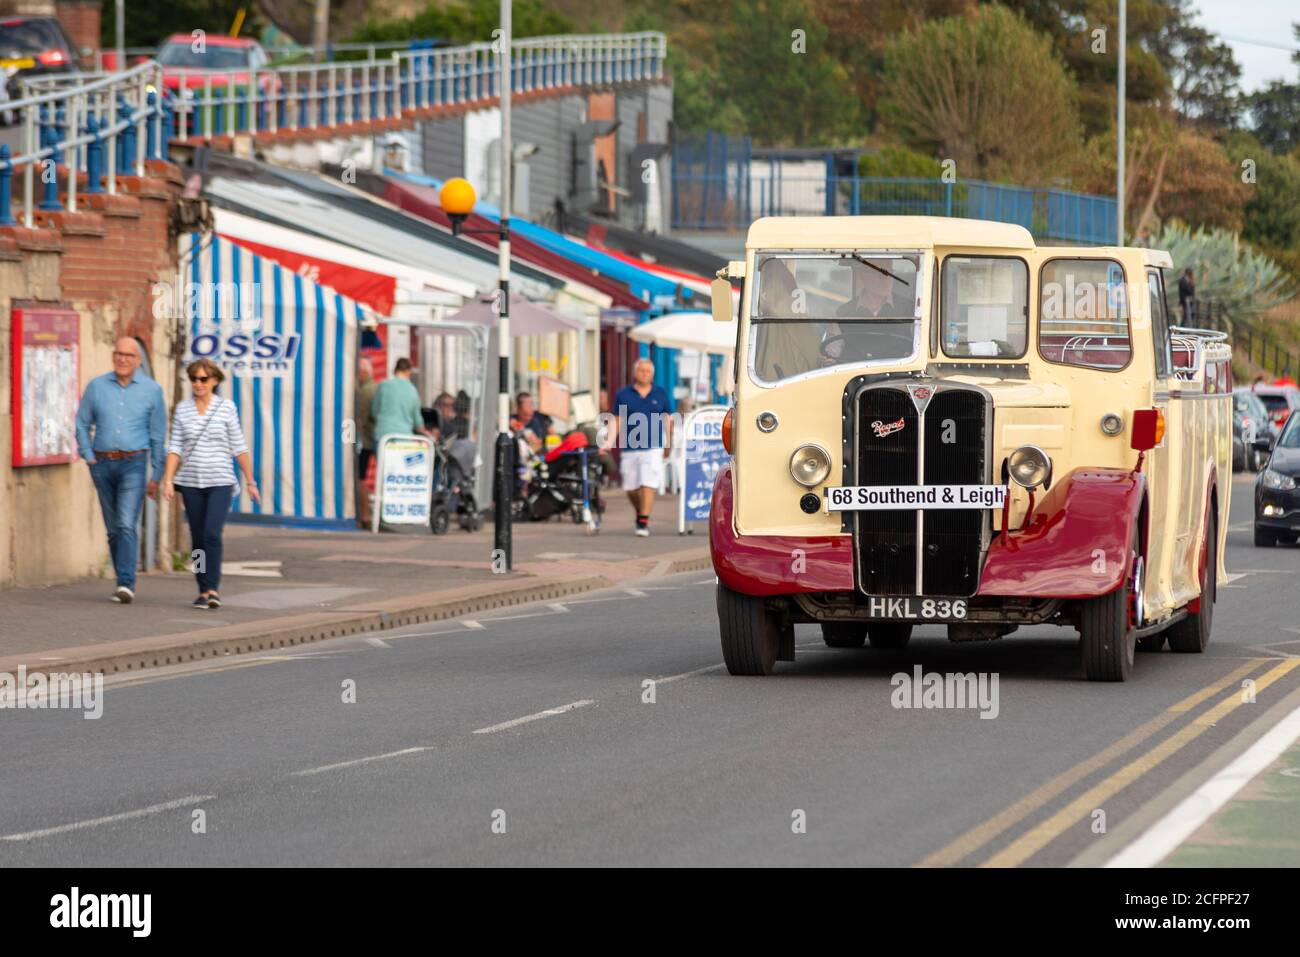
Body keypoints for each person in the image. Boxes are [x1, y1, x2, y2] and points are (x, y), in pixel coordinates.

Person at [161, 359, 260, 609]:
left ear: (215, 381)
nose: (198, 384)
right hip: (192, 482)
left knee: (212, 534)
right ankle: (202, 588)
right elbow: (175, 447)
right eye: (194, 379)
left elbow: (239, 446)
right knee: (197, 538)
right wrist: (168, 480)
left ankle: (213, 587)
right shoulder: (183, 410)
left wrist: (250, 480)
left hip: (221, 481)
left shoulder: (226, 408)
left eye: (203, 379)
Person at [75, 336, 167, 604]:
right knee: (113, 528)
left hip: (134, 464)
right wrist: (88, 456)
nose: (122, 359)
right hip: (101, 464)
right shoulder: (97, 387)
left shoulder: (152, 391)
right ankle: (122, 577)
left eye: (128, 355)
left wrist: (157, 474)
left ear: (138, 361)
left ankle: (126, 583)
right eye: (118, 354)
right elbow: (81, 423)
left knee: (126, 523)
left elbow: (158, 435)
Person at [611, 358, 674, 537]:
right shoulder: (623, 394)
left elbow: (667, 420)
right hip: (630, 447)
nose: (644, 374)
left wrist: (669, 443)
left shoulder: (660, 393)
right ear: (635, 373)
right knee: (631, 488)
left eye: (647, 371)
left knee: (647, 484)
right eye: (641, 371)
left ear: (652, 374)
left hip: (653, 447)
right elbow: (617, 419)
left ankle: (643, 521)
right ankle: (641, 511)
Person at [370, 357, 428, 445]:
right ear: (409, 371)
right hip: (403, 438)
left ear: (395, 370)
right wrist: (425, 433)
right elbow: (417, 421)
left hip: (382, 436)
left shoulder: (383, 385)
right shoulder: (413, 390)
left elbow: (374, 412)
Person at [355, 357, 379, 528]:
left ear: (362, 373)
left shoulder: (365, 391)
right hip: (375, 438)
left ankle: (365, 516)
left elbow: (359, 419)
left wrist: (349, 439)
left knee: (360, 476)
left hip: (367, 441)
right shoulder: (375, 387)